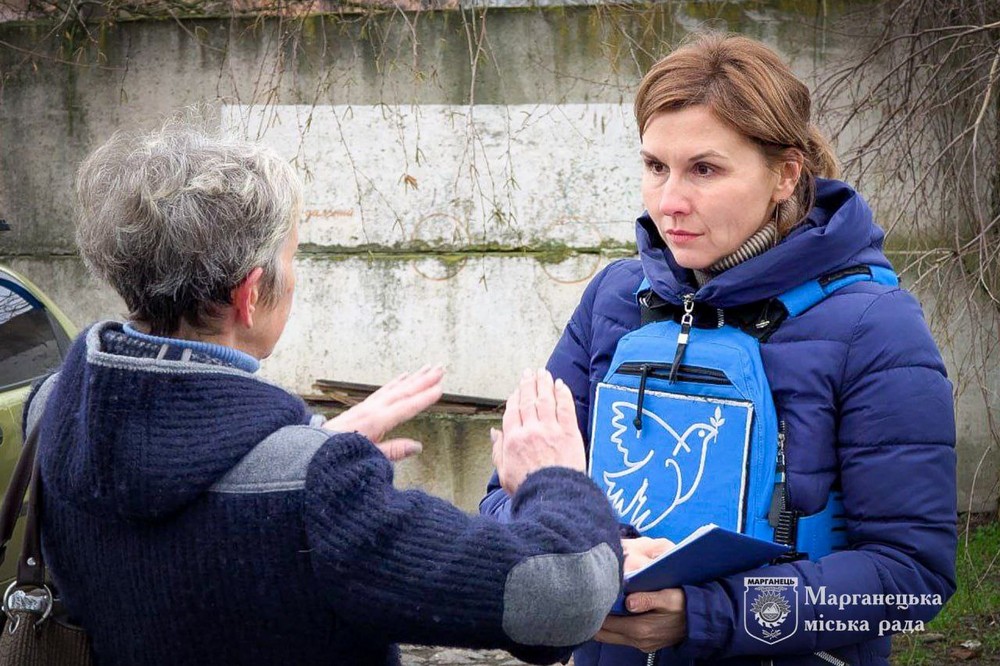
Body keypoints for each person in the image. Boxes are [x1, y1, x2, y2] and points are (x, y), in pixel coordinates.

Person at [22, 122, 625, 666]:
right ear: (249, 295)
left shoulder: (51, 413)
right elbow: (560, 600)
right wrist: (558, 477)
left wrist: (302, 449)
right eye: (293, 255)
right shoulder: (317, 493)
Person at [481, 33, 957, 666]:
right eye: (655, 167)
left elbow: (908, 583)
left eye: (704, 169)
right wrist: (594, 562)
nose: (669, 202)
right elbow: (501, 497)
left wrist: (706, 615)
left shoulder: (872, 326)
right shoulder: (616, 297)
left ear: (786, 174)